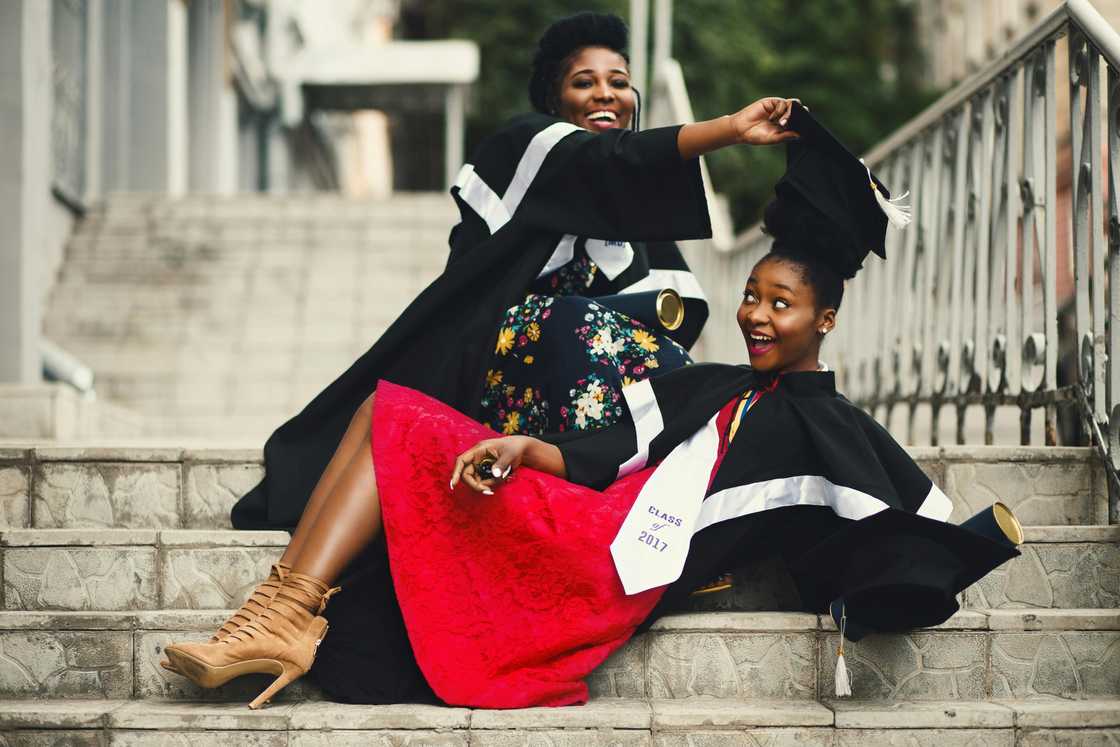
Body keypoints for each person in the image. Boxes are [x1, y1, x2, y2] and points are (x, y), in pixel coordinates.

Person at [162, 102, 1021, 709]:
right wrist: (528, 449)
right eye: (752, 295)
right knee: (390, 409)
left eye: (781, 303)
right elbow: (615, 445)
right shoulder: (720, 383)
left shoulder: (823, 424)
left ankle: (281, 617)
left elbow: (896, 519)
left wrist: (975, 547)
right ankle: (281, 613)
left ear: (825, 318)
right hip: (581, 513)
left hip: (604, 565)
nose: (756, 314)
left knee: (394, 419)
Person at [228, 11, 798, 534]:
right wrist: (728, 129)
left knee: (707, 387)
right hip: (487, 375)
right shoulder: (526, 147)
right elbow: (602, 162)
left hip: (578, 403)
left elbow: (681, 311)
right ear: (555, 99)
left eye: (620, 81)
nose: (606, 93)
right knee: (572, 320)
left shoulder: (633, 211)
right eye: (585, 81)